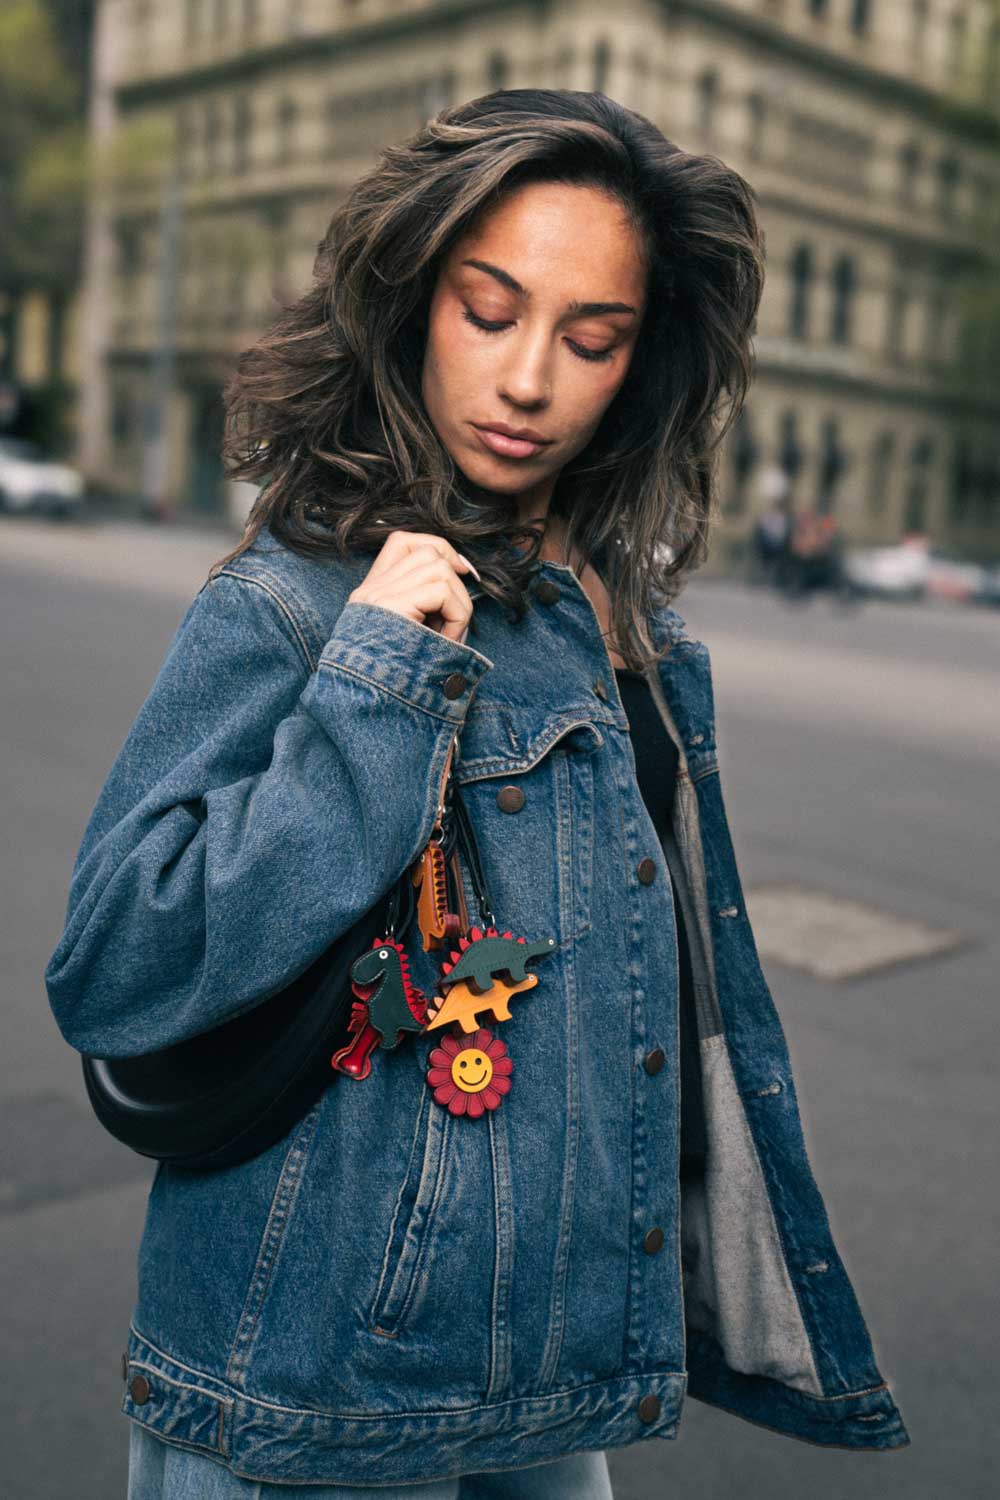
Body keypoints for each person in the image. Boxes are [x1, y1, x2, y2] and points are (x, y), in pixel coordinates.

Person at [43, 89, 909, 1497]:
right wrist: (375, 676)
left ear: (641, 365)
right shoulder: (293, 603)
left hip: (543, 1388)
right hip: (309, 1391)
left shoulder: (630, 633)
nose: (528, 380)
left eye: (591, 338)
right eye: (489, 310)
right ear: (412, 305)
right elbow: (117, 969)